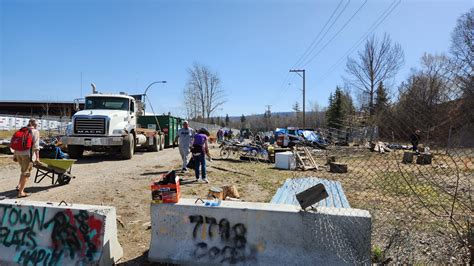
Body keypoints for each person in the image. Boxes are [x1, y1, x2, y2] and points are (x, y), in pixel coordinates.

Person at [13, 119, 40, 198]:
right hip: (27, 155)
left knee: (23, 170)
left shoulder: (21, 130)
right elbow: (36, 146)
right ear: (35, 125)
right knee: (26, 173)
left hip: (18, 153)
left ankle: (19, 186)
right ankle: (21, 192)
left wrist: (14, 155)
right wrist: (37, 158)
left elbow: (16, 143)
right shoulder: (35, 131)